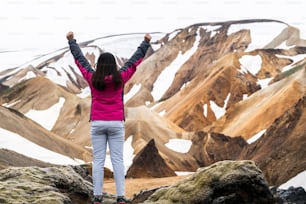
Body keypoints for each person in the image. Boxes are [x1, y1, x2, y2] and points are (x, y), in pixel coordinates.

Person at [66, 31, 151, 204]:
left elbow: (80, 60)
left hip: (97, 123)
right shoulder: (121, 78)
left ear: (98, 65)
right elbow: (134, 62)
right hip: (116, 123)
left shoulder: (92, 78)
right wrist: (145, 43)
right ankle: (120, 197)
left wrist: (71, 41)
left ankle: (97, 198)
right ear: (113, 65)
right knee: (118, 160)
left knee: (98, 160)